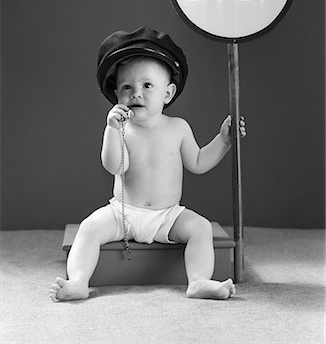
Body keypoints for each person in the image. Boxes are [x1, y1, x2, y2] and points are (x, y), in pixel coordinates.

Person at [50, 26, 246, 302]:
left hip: (167, 215)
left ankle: (199, 280)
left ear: (168, 93)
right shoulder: (122, 129)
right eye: (127, 87)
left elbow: (199, 162)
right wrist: (111, 130)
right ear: (116, 93)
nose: (136, 93)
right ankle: (79, 281)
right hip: (123, 213)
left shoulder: (178, 128)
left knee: (200, 228)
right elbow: (114, 166)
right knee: (89, 228)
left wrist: (224, 140)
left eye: (147, 86)